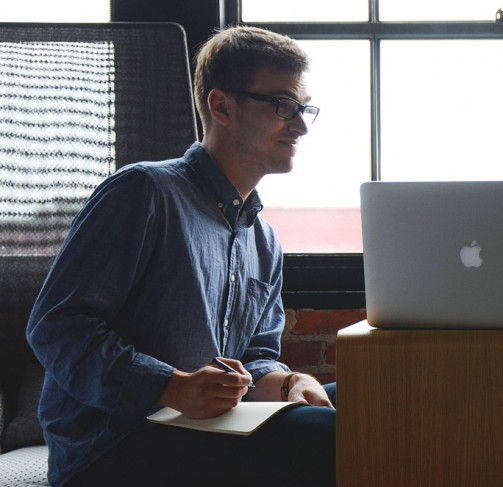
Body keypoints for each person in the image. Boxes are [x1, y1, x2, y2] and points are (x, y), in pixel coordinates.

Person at [27, 26, 335, 487]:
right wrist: (170, 386)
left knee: (369, 402)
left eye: (303, 107)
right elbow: (56, 327)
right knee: (332, 436)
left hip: (208, 430)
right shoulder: (143, 192)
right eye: (282, 106)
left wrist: (289, 383)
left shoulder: (263, 240)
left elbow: (255, 358)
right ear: (222, 106)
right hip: (113, 447)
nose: (301, 124)